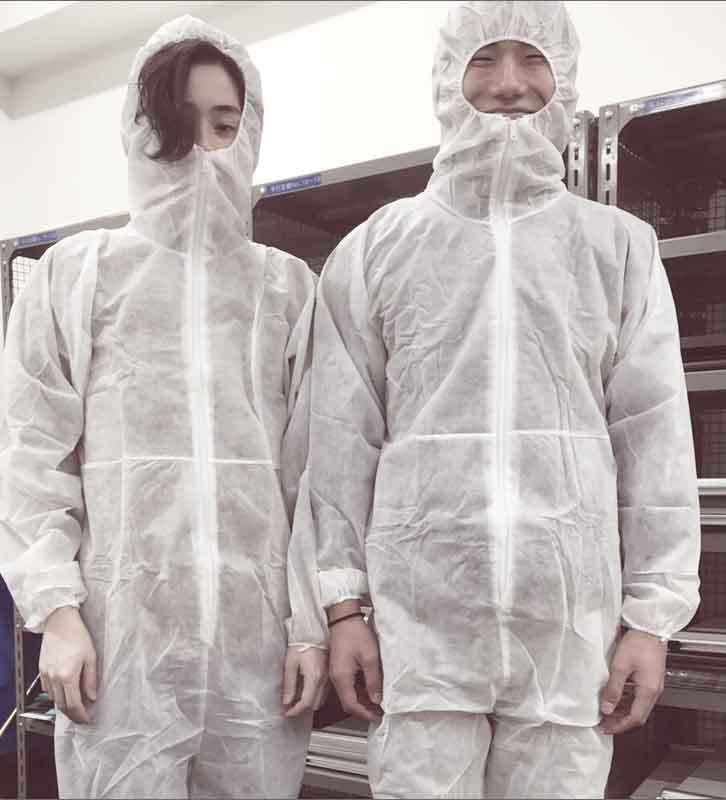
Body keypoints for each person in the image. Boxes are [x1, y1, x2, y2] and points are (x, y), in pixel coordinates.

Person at [292, 1, 701, 797]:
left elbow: (654, 442)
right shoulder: (377, 249)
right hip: (419, 639)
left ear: (565, 77)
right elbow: (337, 444)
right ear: (447, 77)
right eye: (484, 59)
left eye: (532, 59)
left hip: (569, 640)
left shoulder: (617, 246)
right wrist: (341, 609)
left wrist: (650, 622)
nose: (510, 83)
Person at [0, 16, 327, 799]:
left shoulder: (286, 288)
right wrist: (58, 615)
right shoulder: (76, 276)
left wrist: (311, 626)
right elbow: (34, 458)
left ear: (250, 133)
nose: (203, 149)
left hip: (257, 656)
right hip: (120, 651)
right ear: (140, 129)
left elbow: (315, 474)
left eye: (225, 124)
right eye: (180, 122)